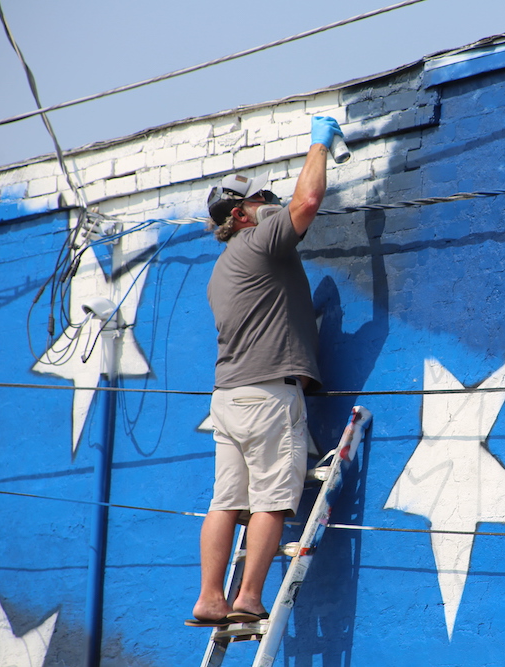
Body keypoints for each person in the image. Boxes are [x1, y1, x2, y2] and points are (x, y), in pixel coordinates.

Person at [186, 116, 344, 627]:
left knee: (226, 502)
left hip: (228, 398)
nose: (270, 203)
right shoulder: (261, 241)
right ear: (240, 214)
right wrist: (318, 146)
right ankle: (249, 597)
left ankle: (210, 598)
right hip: (268, 396)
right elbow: (307, 202)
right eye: (261, 199)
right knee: (272, 500)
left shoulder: (222, 270)